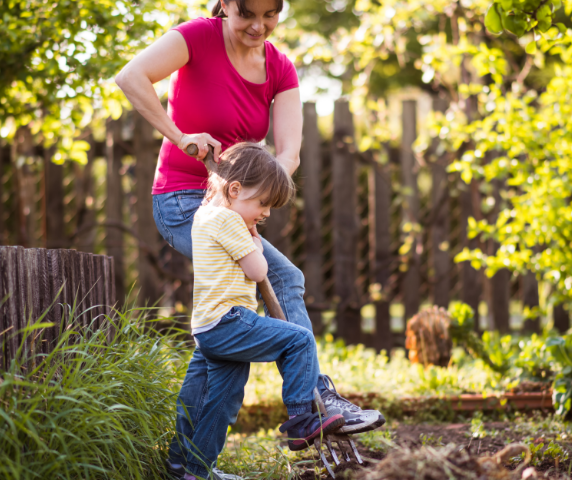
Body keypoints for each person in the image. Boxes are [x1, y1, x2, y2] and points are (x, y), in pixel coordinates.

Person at [115, 0, 385, 478]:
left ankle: (189, 465)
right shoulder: (195, 38)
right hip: (181, 199)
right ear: (224, 5)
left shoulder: (279, 66)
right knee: (283, 275)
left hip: (234, 205)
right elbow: (130, 77)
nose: (258, 26)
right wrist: (180, 137)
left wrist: (256, 200)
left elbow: (289, 152)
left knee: (221, 361)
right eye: (246, 14)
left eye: (270, 14)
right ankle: (314, 399)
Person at [175, 143, 346, 480]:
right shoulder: (229, 219)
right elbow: (257, 271)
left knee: (219, 402)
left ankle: (190, 469)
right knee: (299, 340)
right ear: (235, 189)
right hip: (229, 320)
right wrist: (254, 241)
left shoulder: (204, 215)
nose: (266, 213)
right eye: (263, 202)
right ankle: (301, 419)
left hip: (208, 327)